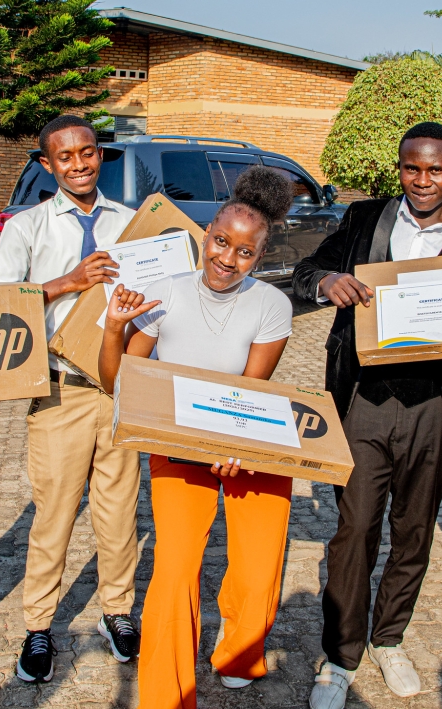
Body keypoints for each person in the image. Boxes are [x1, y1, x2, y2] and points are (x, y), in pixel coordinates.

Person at [292, 122, 442, 708]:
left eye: (436, 170)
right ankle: (340, 655)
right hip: (362, 402)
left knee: (413, 529)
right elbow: (308, 272)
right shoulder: (364, 220)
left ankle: (389, 639)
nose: (423, 180)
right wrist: (328, 279)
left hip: (435, 403)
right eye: (413, 168)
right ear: (400, 168)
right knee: (355, 528)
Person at [97, 165, 295, 708]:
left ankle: (239, 653)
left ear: (261, 257)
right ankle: (166, 693)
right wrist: (115, 328)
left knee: (259, 561)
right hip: (179, 444)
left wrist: (237, 446)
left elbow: (252, 395)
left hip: (246, 439)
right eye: (220, 242)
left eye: (245, 253)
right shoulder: (163, 294)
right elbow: (120, 385)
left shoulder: (273, 306)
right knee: (175, 568)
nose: (227, 260)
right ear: (204, 234)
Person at [0, 115, 143, 680]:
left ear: (100, 156)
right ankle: (38, 626)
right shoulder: (26, 228)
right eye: (65, 157)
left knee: (119, 511)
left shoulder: (132, 223)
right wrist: (67, 283)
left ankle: (117, 612)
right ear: (47, 164)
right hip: (59, 390)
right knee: (53, 513)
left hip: (121, 387)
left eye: (88, 153)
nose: (78, 164)